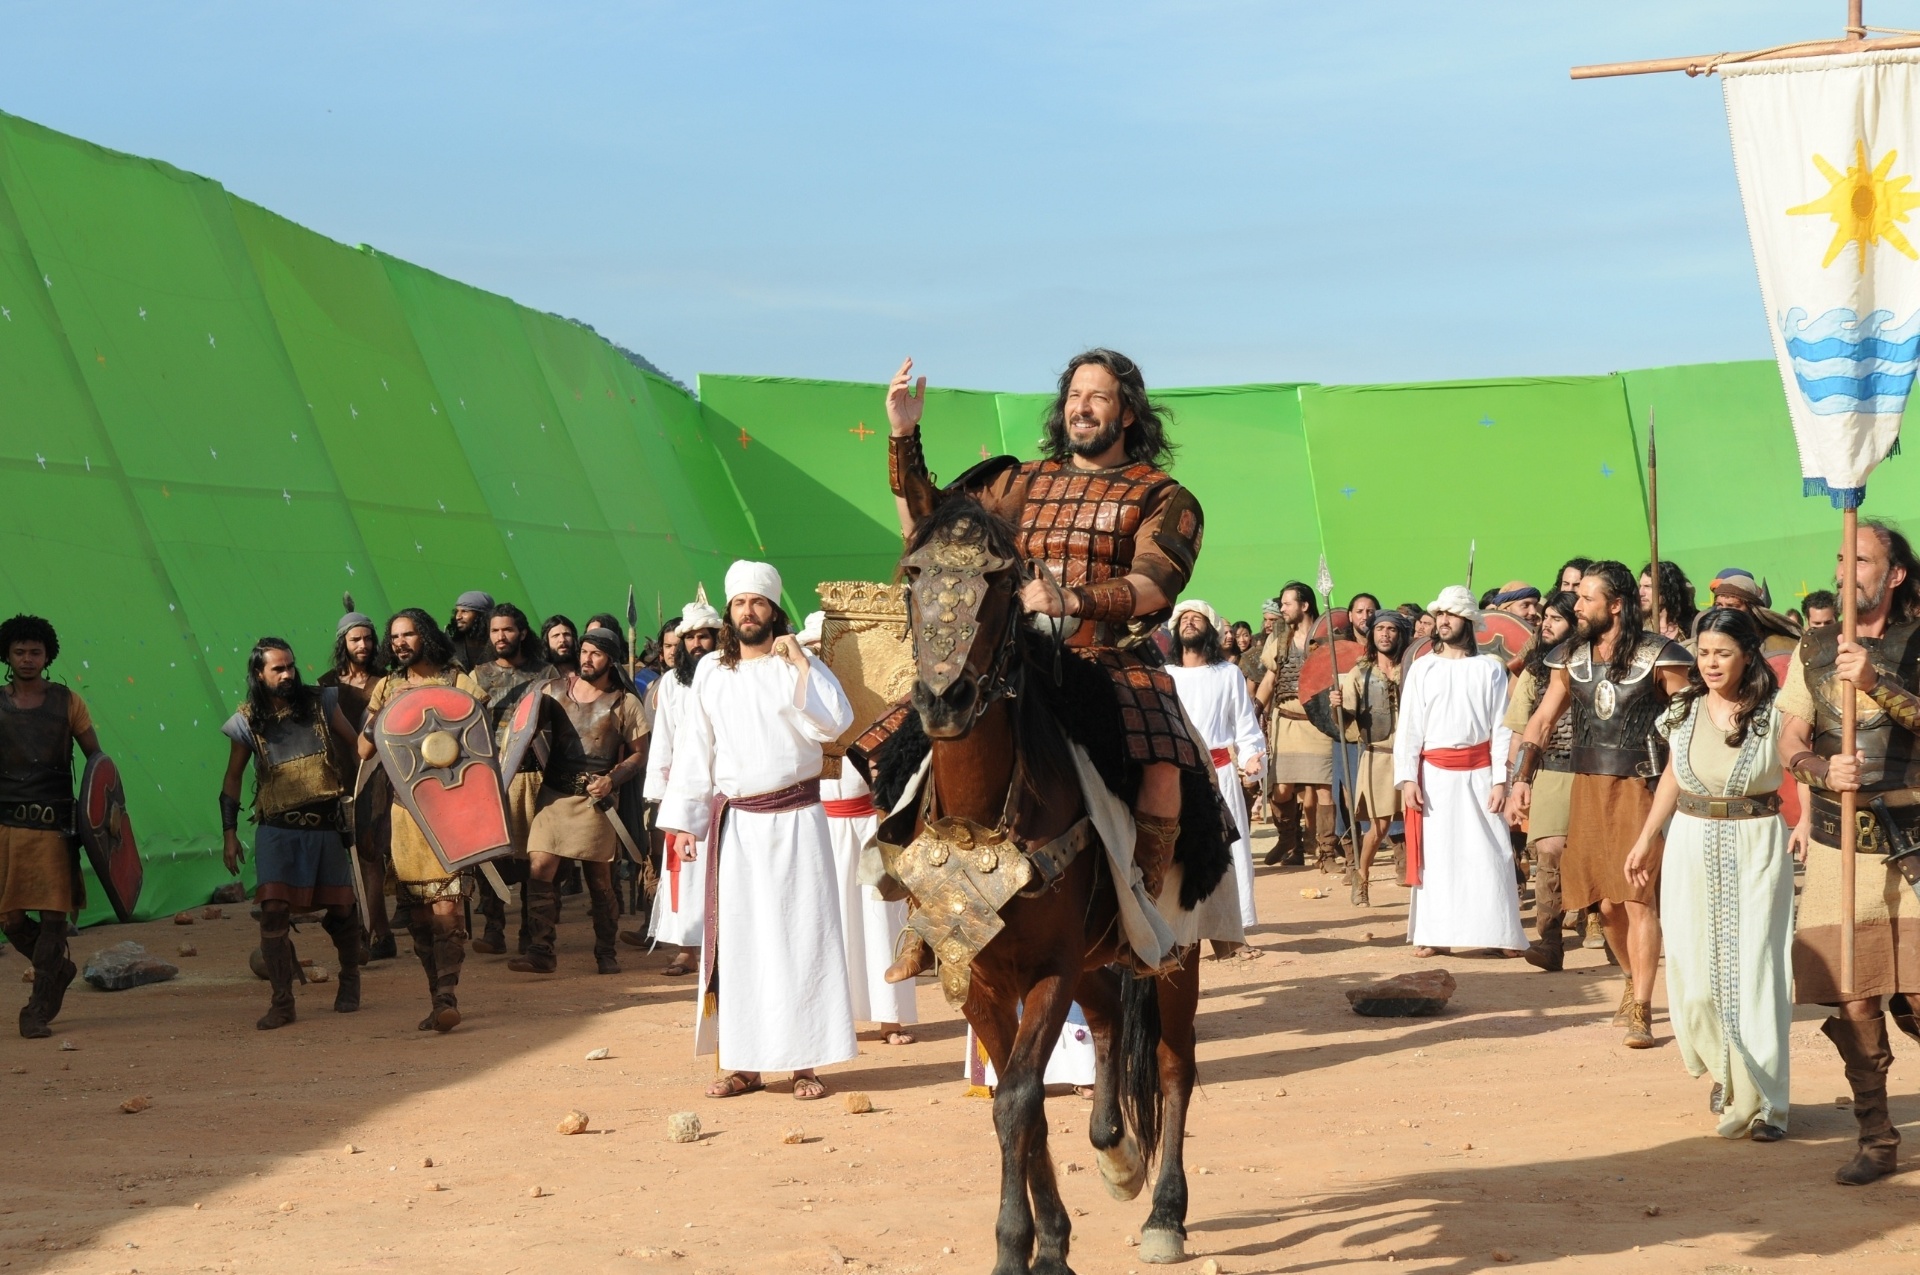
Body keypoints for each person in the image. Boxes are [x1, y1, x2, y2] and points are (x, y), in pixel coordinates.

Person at [884, 349, 1209, 965]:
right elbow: (928, 526)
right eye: (1074, 396)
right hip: (1014, 656)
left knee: (1165, 762)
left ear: (1128, 414)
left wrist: (1072, 599)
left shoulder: (1164, 496)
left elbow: (1155, 583)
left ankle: (1137, 915)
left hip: (1109, 659)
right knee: (896, 745)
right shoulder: (1016, 482)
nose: (1081, 408)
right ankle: (928, 914)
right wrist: (903, 435)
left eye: (1098, 397)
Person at [658, 561, 857, 1101]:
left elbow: (833, 723)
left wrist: (801, 664)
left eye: (759, 603)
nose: (749, 612)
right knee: (742, 945)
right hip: (739, 828)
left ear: (773, 610)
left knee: (801, 938)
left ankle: (803, 1065)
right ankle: (743, 1065)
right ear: (730, 612)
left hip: (798, 823)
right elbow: (695, 748)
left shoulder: (799, 664)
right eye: (741, 603)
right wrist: (684, 822)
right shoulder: (710, 672)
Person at [1776, 519, 1920, 1185]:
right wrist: (1818, 768)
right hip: (1841, 843)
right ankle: (1877, 1136)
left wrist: (1876, 681)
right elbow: (1791, 737)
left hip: (1912, 838)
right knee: (1854, 998)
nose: (1845, 569)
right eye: (1841, 557)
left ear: (1894, 574)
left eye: (1860, 559)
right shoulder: (1813, 646)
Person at [1623, 609, 1790, 1143]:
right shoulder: (1683, 710)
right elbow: (1674, 773)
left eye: (1723, 653)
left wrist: (1808, 821)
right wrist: (1647, 837)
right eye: (1704, 653)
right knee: (1694, 975)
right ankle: (1725, 1072)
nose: (1711, 663)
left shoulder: (1775, 712)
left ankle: (1767, 1104)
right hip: (1691, 842)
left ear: (1748, 655)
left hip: (1756, 841)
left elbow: (1800, 763)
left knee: (1756, 971)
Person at [1509, 561, 1691, 1047]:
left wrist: (1682, 779)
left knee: (1637, 899)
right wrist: (1521, 778)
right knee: (1606, 905)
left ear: (1615, 605)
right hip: (1587, 785)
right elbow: (1542, 720)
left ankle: (1643, 1009)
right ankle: (1631, 979)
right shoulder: (1570, 658)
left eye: (1587, 598)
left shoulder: (1661, 656)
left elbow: (1689, 722)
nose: (1577, 606)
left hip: (1640, 787)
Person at [219, 638, 361, 1029]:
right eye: (278, 669)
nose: (287, 675)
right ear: (259, 674)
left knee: (341, 908)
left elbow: (357, 745)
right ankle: (282, 1002)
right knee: (273, 911)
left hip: (324, 825)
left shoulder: (321, 703)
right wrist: (229, 833)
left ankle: (350, 978)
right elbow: (232, 778)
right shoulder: (247, 720)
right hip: (277, 829)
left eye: (290, 666)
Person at [356, 610, 488, 1034]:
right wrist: (381, 716)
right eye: (394, 636)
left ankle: (448, 996)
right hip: (404, 813)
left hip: (449, 810)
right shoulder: (387, 686)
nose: (399, 642)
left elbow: (482, 742)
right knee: (417, 917)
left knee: (447, 910)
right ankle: (436, 998)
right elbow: (363, 750)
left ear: (425, 636)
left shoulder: (458, 681)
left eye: (408, 634)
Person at [797, 612, 919, 1042]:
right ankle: (836, 1018)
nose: (818, 657)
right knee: (829, 924)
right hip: (819, 827)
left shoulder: (874, 705)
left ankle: (890, 1018)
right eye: (811, 650)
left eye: (824, 650)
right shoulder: (799, 703)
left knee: (881, 920)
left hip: (870, 824)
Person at [1394, 588, 1526, 958]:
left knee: (1491, 854)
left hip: (1481, 773)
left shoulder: (1490, 669)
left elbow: (1501, 728)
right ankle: (1435, 934)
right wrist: (1408, 778)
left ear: (1467, 621)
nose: (1443, 621)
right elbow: (1409, 727)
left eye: (1451, 615)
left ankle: (1500, 934)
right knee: (1438, 856)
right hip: (1434, 777)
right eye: (1440, 614)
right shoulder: (1423, 668)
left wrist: (1501, 780)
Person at [511, 626, 651, 975]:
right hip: (554, 796)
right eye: (585, 651)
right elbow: (522, 732)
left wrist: (612, 779)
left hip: (594, 802)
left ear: (610, 660)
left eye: (596, 654)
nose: (587, 659)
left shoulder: (624, 702)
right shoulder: (554, 692)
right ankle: (541, 950)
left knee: (600, 880)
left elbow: (639, 754)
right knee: (539, 867)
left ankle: (606, 952)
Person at [0, 615, 99, 1039]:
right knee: (11, 919)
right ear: (7, 655)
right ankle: (59, 969)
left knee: (53, 918)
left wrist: (101, 818)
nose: (27, 659)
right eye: (20, 651)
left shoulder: (68, 702)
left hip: (55, 827)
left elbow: (98, 763)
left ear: (47, 656)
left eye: (35, 652)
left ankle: (37, 1009)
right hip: (8, 827)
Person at [1163, 600, 1266, 956]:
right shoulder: (1164, 675)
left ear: (1210, 630)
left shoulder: (1228, 674)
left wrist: (1252, 758)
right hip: (1173, 777)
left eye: (1197, 619)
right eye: (1184, 619)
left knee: (1226, 854)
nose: (1189, 623)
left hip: (1218, 775)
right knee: (1175, 855)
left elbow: (1246, 726)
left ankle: (1230, 936)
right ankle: (1177, 936)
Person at [638, 598, 722, 972]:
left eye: (704, 636)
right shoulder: (672, 683)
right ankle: (687, 948)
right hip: (684, 791)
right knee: (685, 872)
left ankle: (723, 948)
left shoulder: (731, 675)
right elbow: (663, 739)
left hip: (726, 788)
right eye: (691, 638)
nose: (697, 644)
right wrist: (660, 796)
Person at [468, 603, 553, 957]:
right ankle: (494, 929)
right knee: (492, 853)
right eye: (495, 631)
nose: (501, 637)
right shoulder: (478, 676)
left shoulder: (545, 673)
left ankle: (531, 933)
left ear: (522, 632)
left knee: (535, 857)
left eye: (507, 629)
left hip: (534, 775)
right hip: (493, 778)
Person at [1504, 591, 1580, 970]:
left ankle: (1595, 920)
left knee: (1591, 851)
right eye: (1545, 617)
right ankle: (1550, 941)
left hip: (1592, 770)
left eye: (1556, 619)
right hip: (1550, 768)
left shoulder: (1597, 668)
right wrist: (1515, 781)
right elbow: (1521, 732)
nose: (1545, 624)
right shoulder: (1534, 673)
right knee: (1549, 850)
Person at [319, 608, 393, 959]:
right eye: (355, 639)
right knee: (346, 857)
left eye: (367, 639)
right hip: (338, 777)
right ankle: (373, 931)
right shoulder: (326, 685)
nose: (363, 645)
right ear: (343, 643)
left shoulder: (386, 682)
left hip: (377, 776)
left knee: (370, 853)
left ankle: (374, 933)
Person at [1254, 582, 1336, 869]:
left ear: (1304, 605)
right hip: (1287, 723)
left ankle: (1326, 851)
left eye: (1287, 603)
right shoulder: (1280, 640)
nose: (1283, 608)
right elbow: (1269, 681)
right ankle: (1290, 842)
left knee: (1324, 789)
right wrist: (1255, 709)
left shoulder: (1328, 640)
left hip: (1320, 724)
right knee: (1281, 789)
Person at [1335, 609, 1411, 906]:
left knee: (1419, 823)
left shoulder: (1413, 669)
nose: (1385, 634)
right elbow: (1345, 719)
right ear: (1372, 635)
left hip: (1411, 756)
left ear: (1400, 634)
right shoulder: (1361, 673)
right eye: (1380, 629)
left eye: (1391, 629)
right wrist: (1336, 706)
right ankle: (1361, 876)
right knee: (1378, 828)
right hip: (1379, 756)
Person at [1708, 569, 1803, 656]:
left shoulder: (1781, 647)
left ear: (1752, 610)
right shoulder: (1705, 642)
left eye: (1732, 606)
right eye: (1719, 605)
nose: (1724, 612)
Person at [1641, 560, 1699, 647]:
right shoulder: (1637, 626)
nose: (1641, 592)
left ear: (1667, 589)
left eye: (1647, 586)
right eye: (1640, 586)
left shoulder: (1694, 624)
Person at [445, 590, 494, 672]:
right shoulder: (450, 643)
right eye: (457, 611)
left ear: (481, 615)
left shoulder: (497, 642)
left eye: (464, 611)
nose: (458, 617)